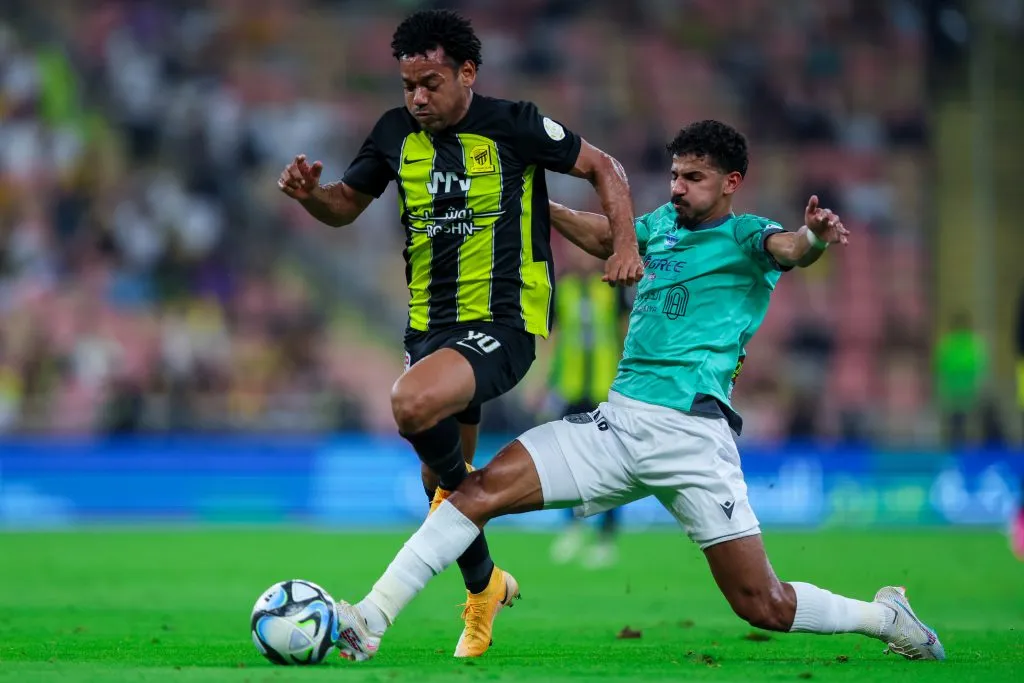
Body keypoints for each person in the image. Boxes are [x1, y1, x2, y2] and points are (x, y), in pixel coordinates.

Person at [328, 120, 945, 662]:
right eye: (675, 175)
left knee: (765, 606)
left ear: (731, 182)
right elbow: (605, 236)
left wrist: (811, 236)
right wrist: (537, 205)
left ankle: (884, 616)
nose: (677, 187)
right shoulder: (660, 228)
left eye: (694, 178)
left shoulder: (747, 237)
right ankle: (370, 619)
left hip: (692, 441)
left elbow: (790, 249)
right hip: (617, 427)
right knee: (474, 490)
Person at [276, 9, 643, 657]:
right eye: (408, 84)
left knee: (410, 403)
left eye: (431, 82)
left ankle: (400, 599)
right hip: (431, 327)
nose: (417, 97)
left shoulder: (514, 124)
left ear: (467, 73)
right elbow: (344, 206)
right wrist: (311, 196)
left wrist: (624, 246)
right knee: (443, 487)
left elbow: (605, 168)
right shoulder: (393, 134)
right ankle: (485, 586)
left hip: (506, 320)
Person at [545, 245, 629, 568]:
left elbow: (625, 334)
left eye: (584, 252)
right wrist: (543, 382)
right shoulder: (561, 290)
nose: (579, 257)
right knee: (569, 461)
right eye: (574, 252)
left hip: (605, 388)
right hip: (570, 388)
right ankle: (573, 526)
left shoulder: (612, 288)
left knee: (611, 463)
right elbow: (553, 339)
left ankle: (607, 537)